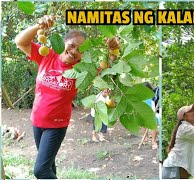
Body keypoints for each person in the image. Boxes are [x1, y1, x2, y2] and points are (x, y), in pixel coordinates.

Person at [14, 15, 119, 179]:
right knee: (48, 168)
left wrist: (112, 50)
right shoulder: (47, 55)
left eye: (80, 50)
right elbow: (20, 41)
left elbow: (108, 68)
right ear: (64, 42)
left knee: (40, 171)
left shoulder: (83, 69)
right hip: (37, 122)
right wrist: (38, 25)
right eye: (72, 45)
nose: (74, 51)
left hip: (56, 126)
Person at [141, 82, 159, 150]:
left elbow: (154, 107)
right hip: (144, 113)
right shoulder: (140, 98)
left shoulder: (152, 97)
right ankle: (146, 137)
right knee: (143, 123)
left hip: (152, 112)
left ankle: (153, 141)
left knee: (154, 124)